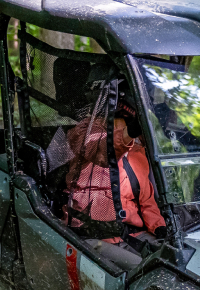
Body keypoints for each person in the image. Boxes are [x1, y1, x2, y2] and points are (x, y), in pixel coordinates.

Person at [63, 100, 166, 270]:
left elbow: (146, 201)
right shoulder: (85, 131)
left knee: (172, 259)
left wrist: (160, 227)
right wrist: (130, 132)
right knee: (145, 270)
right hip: (92, 235)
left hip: (131, 233)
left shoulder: (138, 148)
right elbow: (104, 149)